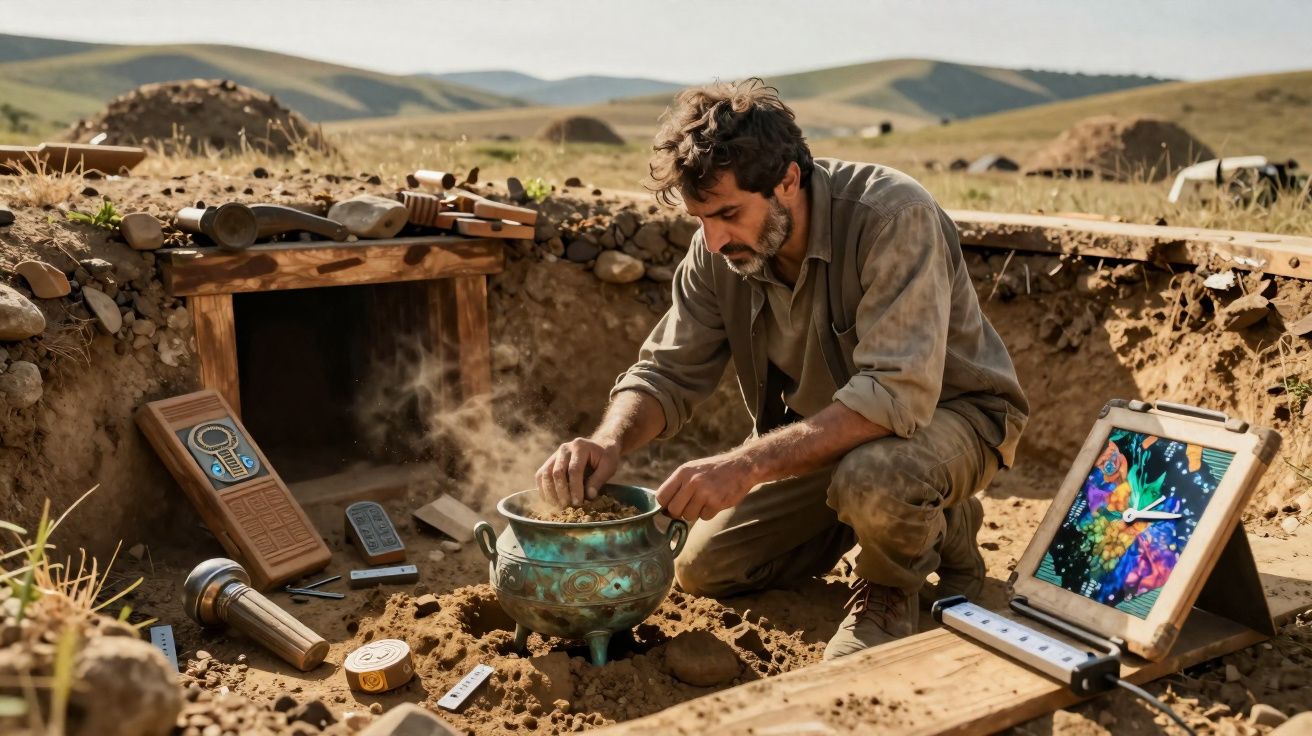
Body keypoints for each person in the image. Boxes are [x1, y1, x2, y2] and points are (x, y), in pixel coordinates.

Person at [535, 79, 1028, 658]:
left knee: (878, 477)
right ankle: (917, 521)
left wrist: (746, 464)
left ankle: (892, 591)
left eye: (727, 214)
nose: (714, 240)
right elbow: (665, 372)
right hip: (827, 439)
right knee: (706, 568)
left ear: (788, 180)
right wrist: (608, 442)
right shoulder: (717, 249)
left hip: (947, 422)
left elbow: (896, 396)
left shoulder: (894, 217)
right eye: (701, 219)